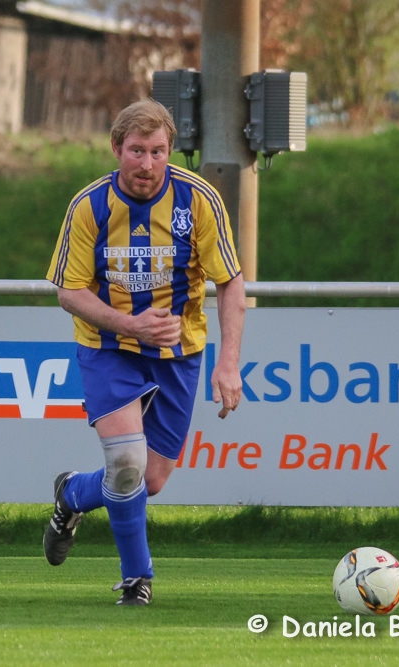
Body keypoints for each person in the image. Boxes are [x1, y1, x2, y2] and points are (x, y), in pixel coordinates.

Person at [42, 99, 245, 605]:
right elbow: (69, 292)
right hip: (108, 347)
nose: (148, 164)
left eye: (158, 151)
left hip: (180, 354)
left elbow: (232, 284)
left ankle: (71, 494)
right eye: (137, 150)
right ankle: (138, 579)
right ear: (117, 149)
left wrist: (229, 362)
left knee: (148, 481)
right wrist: (130, 324)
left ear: (170, 150)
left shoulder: (198, 200)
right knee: (127, 464)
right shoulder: (88, 206)